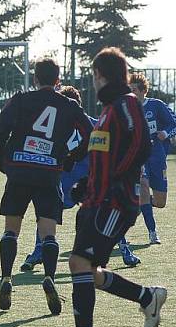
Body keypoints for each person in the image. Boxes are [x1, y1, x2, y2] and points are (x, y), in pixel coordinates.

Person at [46, 47, 166, 327]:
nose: (93, 81)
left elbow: (140, 144)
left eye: (94, 75)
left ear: (101, 75)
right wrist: (88, 184)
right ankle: (147, 296)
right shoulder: (111, 107)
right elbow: (107, 152)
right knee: (86, 268)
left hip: (115, 202)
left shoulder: (125, 104)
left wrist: (114, 182)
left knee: (80, 264)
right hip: (97, 200)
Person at [0, 59, 93, 315]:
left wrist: (3, 158)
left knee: (11, 230)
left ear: (35, 79)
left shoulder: (21, 99)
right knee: (48, 233)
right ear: (58, 82)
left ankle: (6, 279)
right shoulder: (69, 105)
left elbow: (2, 128)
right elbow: (91, 132)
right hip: (49, 173)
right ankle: (49, 276)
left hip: (19, 171)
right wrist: (72, 157)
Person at [19, 86, 141, 269]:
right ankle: (39, 252)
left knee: (48, 214)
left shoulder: (71, 126)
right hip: (77, 182)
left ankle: (124, 250)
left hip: (78, 182)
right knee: (98, 211)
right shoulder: (83, 124)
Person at [129, 72, 176, 245]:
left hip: (157, 157)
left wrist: (165, 133)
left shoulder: (156, 106)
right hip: (138, 158)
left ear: (143, 91)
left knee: (160, 201)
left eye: (134, 90)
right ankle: (152, 232)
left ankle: (139, 202)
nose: (131, 93)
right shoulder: (128, 110)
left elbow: (174, 123)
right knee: (143, 184)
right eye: (129, 90)